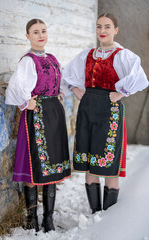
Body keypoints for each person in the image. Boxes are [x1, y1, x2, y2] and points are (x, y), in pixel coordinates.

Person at [61, 13, 149, 214]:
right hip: (87, 108)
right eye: (99, 26)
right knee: (90, 159)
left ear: (115, 30)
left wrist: (122, 92)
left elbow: (140, 77)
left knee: (109, 161)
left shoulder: (123, 55)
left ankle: (108, 216)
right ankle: (95, 211)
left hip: (109, 110)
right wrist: (76, 90)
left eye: (107, 27)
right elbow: (68, 75)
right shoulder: (87, 54)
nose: (102, 31)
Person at [5, 19, 71, 233]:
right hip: (37, 115)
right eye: (35, 32)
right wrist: (26, 102)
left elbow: (59, 82)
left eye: (43, 31)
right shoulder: (27, 60)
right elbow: (15, 87)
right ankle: (32, 218)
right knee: (34, 163)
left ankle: (49, 218)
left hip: (54, 114)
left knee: (53, 163)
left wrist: (60, 91)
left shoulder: (51, 58)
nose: (41, 35)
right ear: (28, 36)